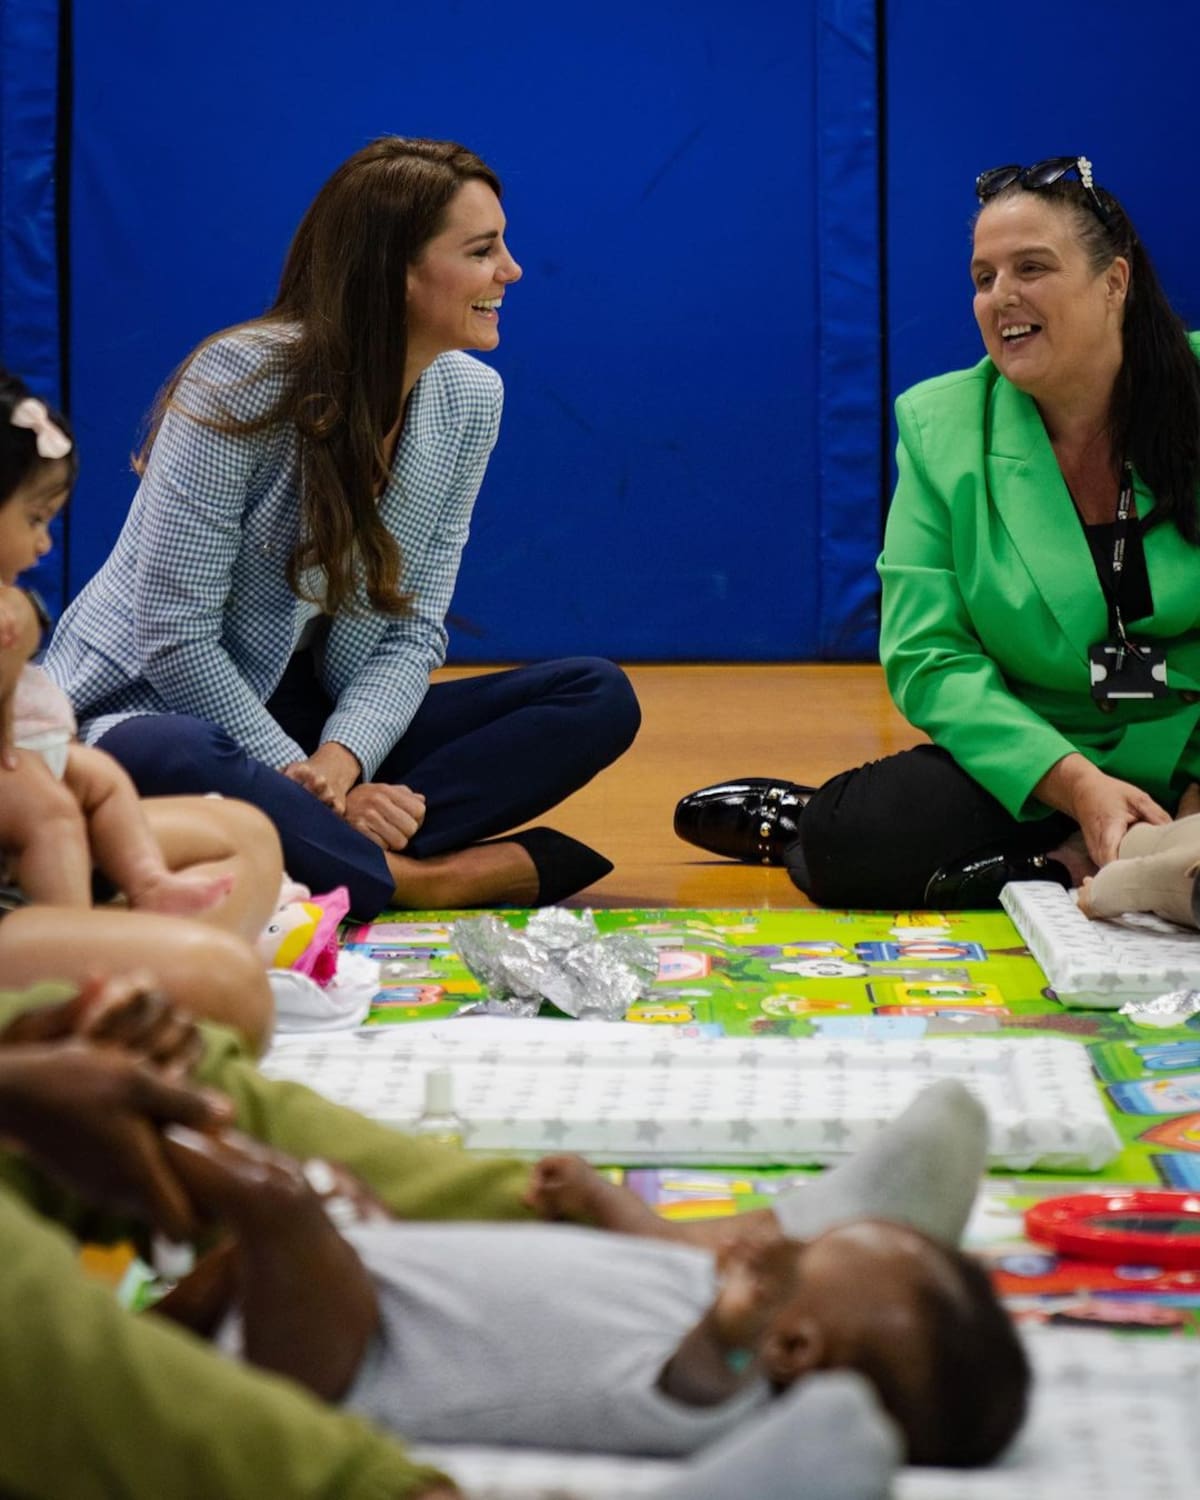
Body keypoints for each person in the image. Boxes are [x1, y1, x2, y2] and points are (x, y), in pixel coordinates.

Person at [0, 972, 902, 1500]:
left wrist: (32, 1060)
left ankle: (651, 1241)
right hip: (340, 1347)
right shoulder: (716, 1371)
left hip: (337, 1293)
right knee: (278, 1196)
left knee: (164, 1068)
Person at [45, 137, 640, 919]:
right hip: (161, 708)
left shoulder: (471, 399)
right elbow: (173, 635)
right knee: (167, 753)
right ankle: (420, 879)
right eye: (482, 250)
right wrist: (302, 776)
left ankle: (327, 851)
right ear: (395, 271)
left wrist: (341, 763)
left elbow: (413, 633)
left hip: (319, 726)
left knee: (595, 695)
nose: (512, 270)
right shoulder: (240, 379)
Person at [675, 156, 1200, 908]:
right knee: (849, 839)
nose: (1001, 297)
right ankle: (1078, 852)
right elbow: (929, 655)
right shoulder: (940, 424)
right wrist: (1076, 783)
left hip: (1189, 735)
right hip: (1039, 747)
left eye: (1031, 268)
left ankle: (1064, 865)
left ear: (1114, 282)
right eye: (984, 277)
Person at [152, 1079, 1027, 1476]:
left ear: (790, 1342)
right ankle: (153, 1337)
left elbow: (699, 1377)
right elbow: (650, 1265)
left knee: (285, 1198)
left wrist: (729, 1334)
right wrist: (605, 1201)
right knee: (330, 1199)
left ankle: (147, 1130)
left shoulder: (721, 1384)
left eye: (809, 1253)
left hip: (355, 1360)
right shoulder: (719, 1304)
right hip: (391, 1281)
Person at [0, 379, 233, 917]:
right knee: (52, 814)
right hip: (12, 758)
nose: (44, 543)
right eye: (34, 520)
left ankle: (148, 880)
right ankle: (70, 932)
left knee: (104, 779)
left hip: (36, 746)